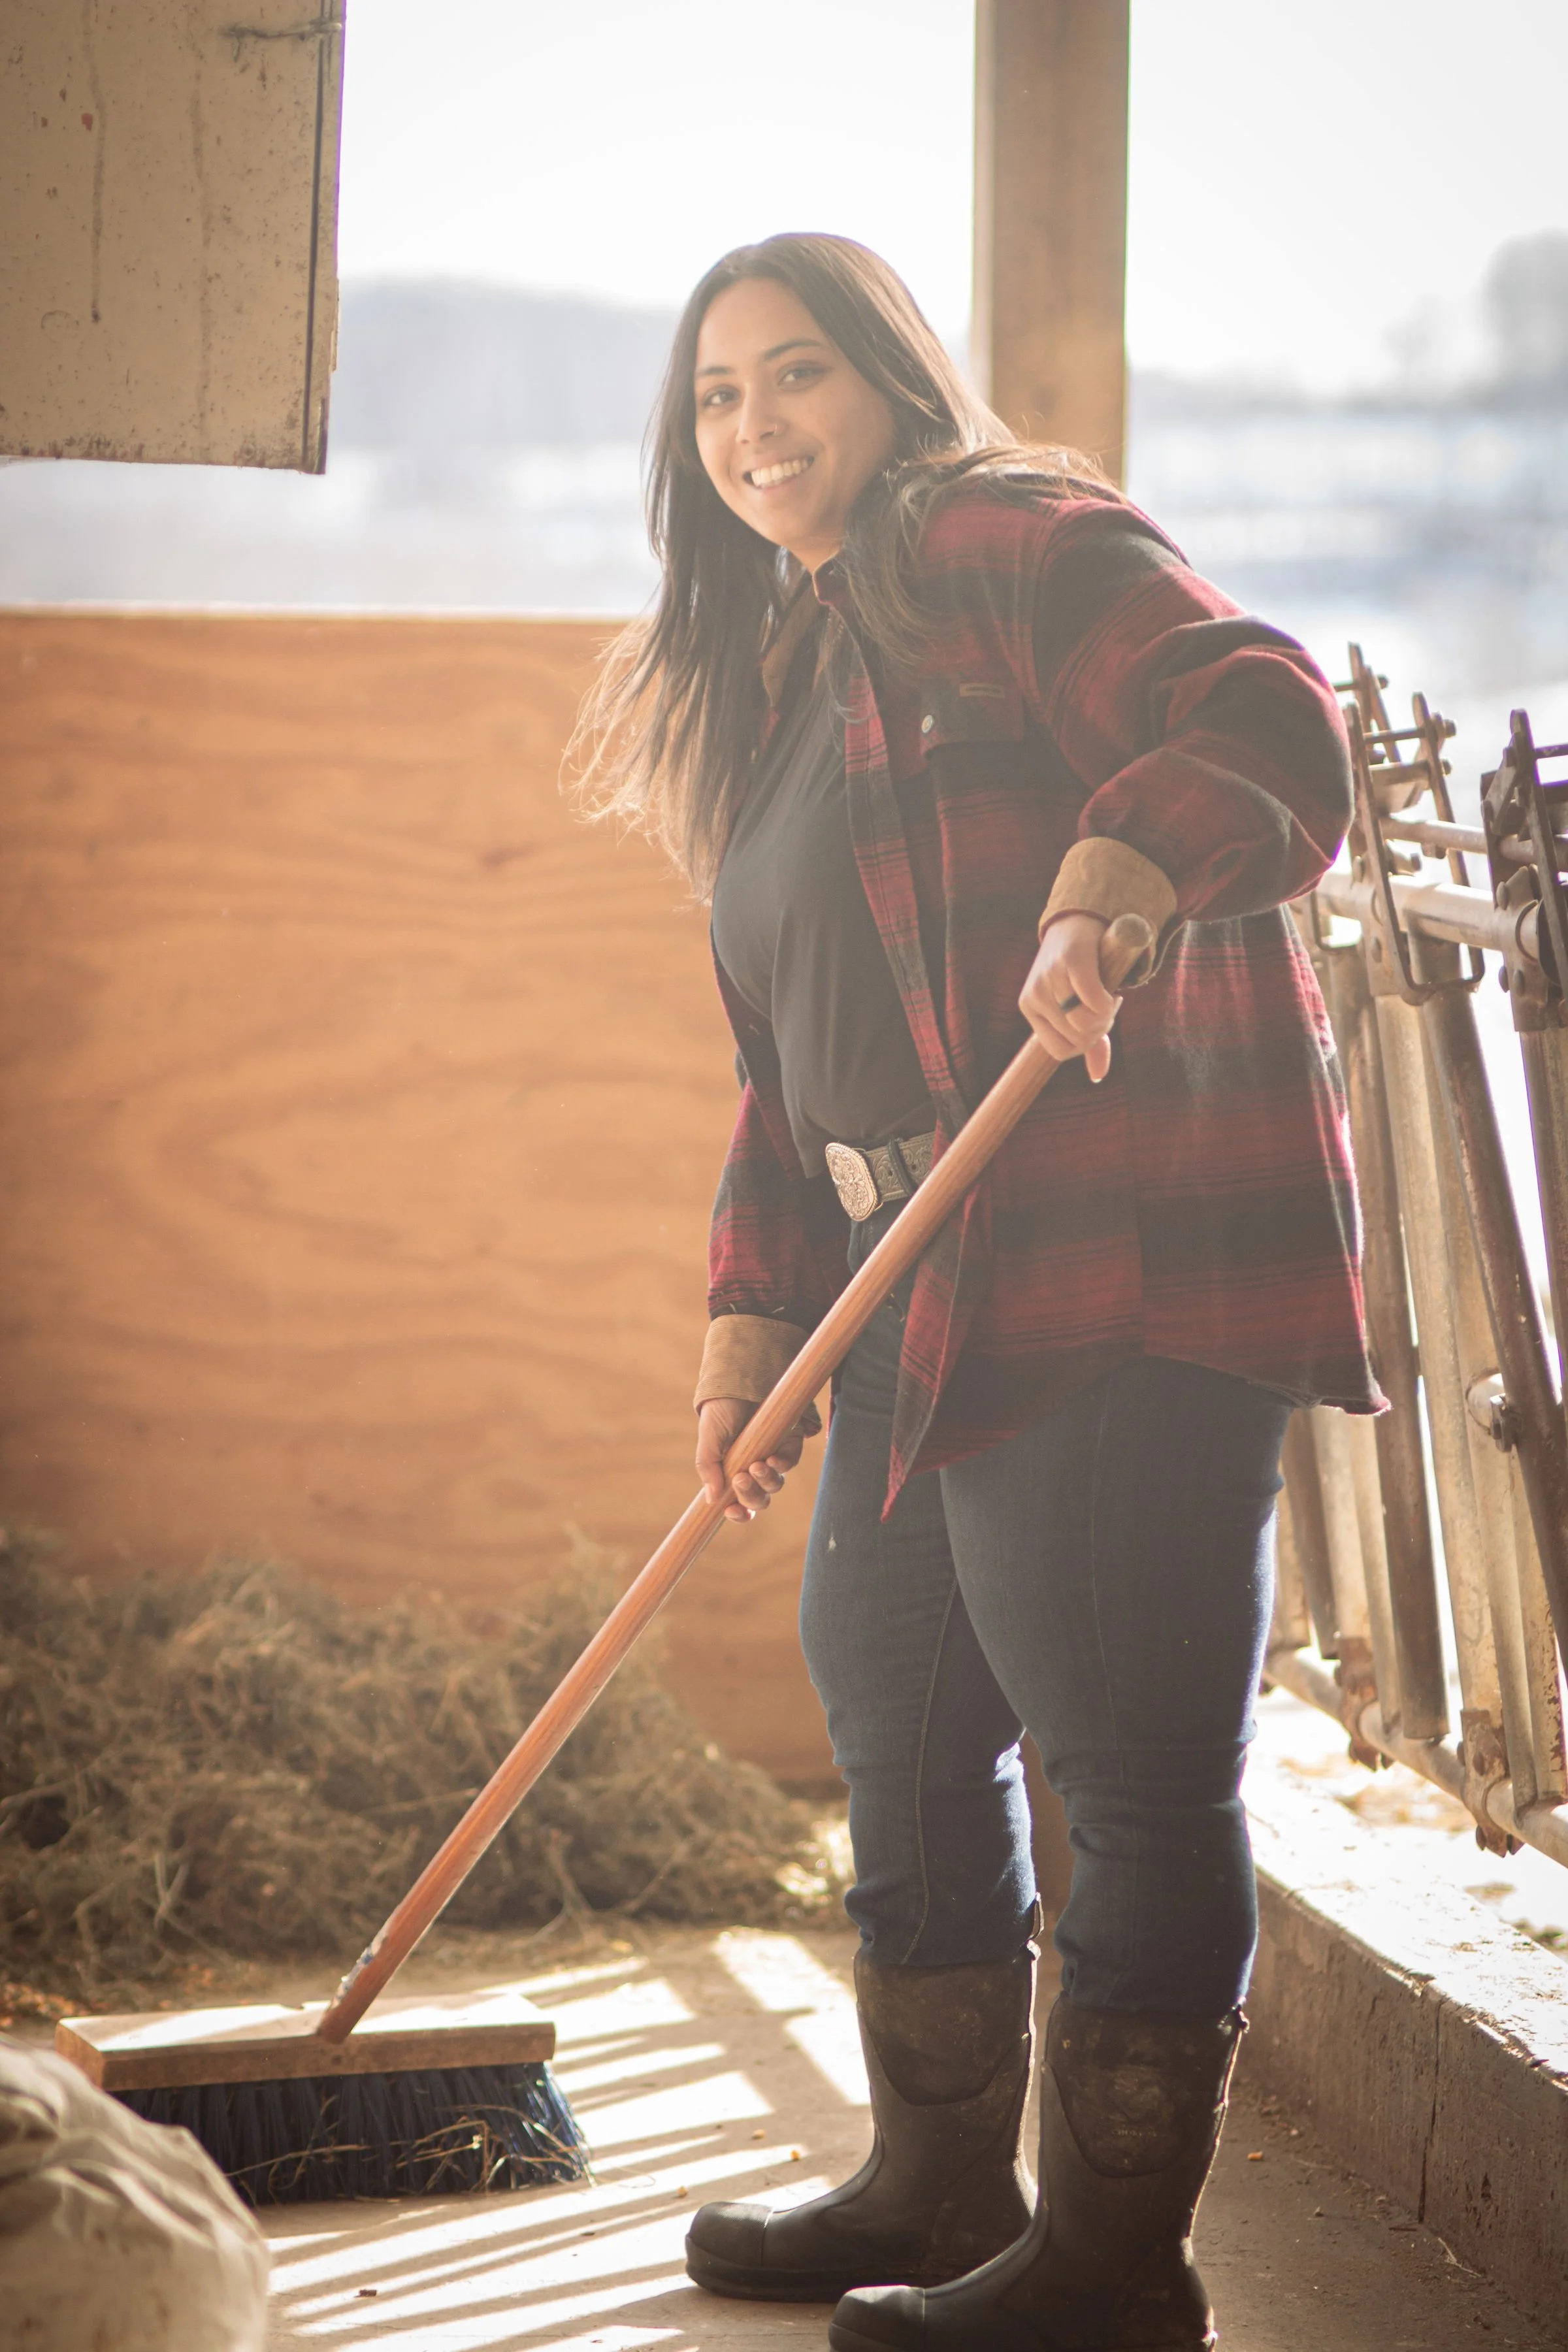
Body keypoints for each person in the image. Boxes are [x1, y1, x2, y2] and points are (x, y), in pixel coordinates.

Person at [574, 233, 1379, 2352]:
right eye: (717, 397)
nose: (756, 428)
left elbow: (1268, 718)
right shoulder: (775, 678)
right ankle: (938, 2185)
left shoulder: (997, 534)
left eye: (795, 375)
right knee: (902, 1713)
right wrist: (748, 1324)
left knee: (1127, 1768)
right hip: (914, 1279)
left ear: (889, 383)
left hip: (1118, 1253)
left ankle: (1118, 2273)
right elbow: (794, 1063)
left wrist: (1115, 874)